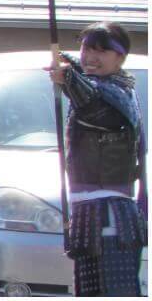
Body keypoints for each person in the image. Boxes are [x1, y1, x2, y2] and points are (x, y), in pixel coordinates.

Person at [47, 21, 147, 296]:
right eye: (87, 49)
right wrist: (68, 66)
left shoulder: (119, 94)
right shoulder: (102, 85)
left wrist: (68, 79)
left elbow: (95, 107)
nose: (91, 57)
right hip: (89, 213)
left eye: (101, 51)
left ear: (120, 57)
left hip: (110, 213)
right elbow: (86, 86)